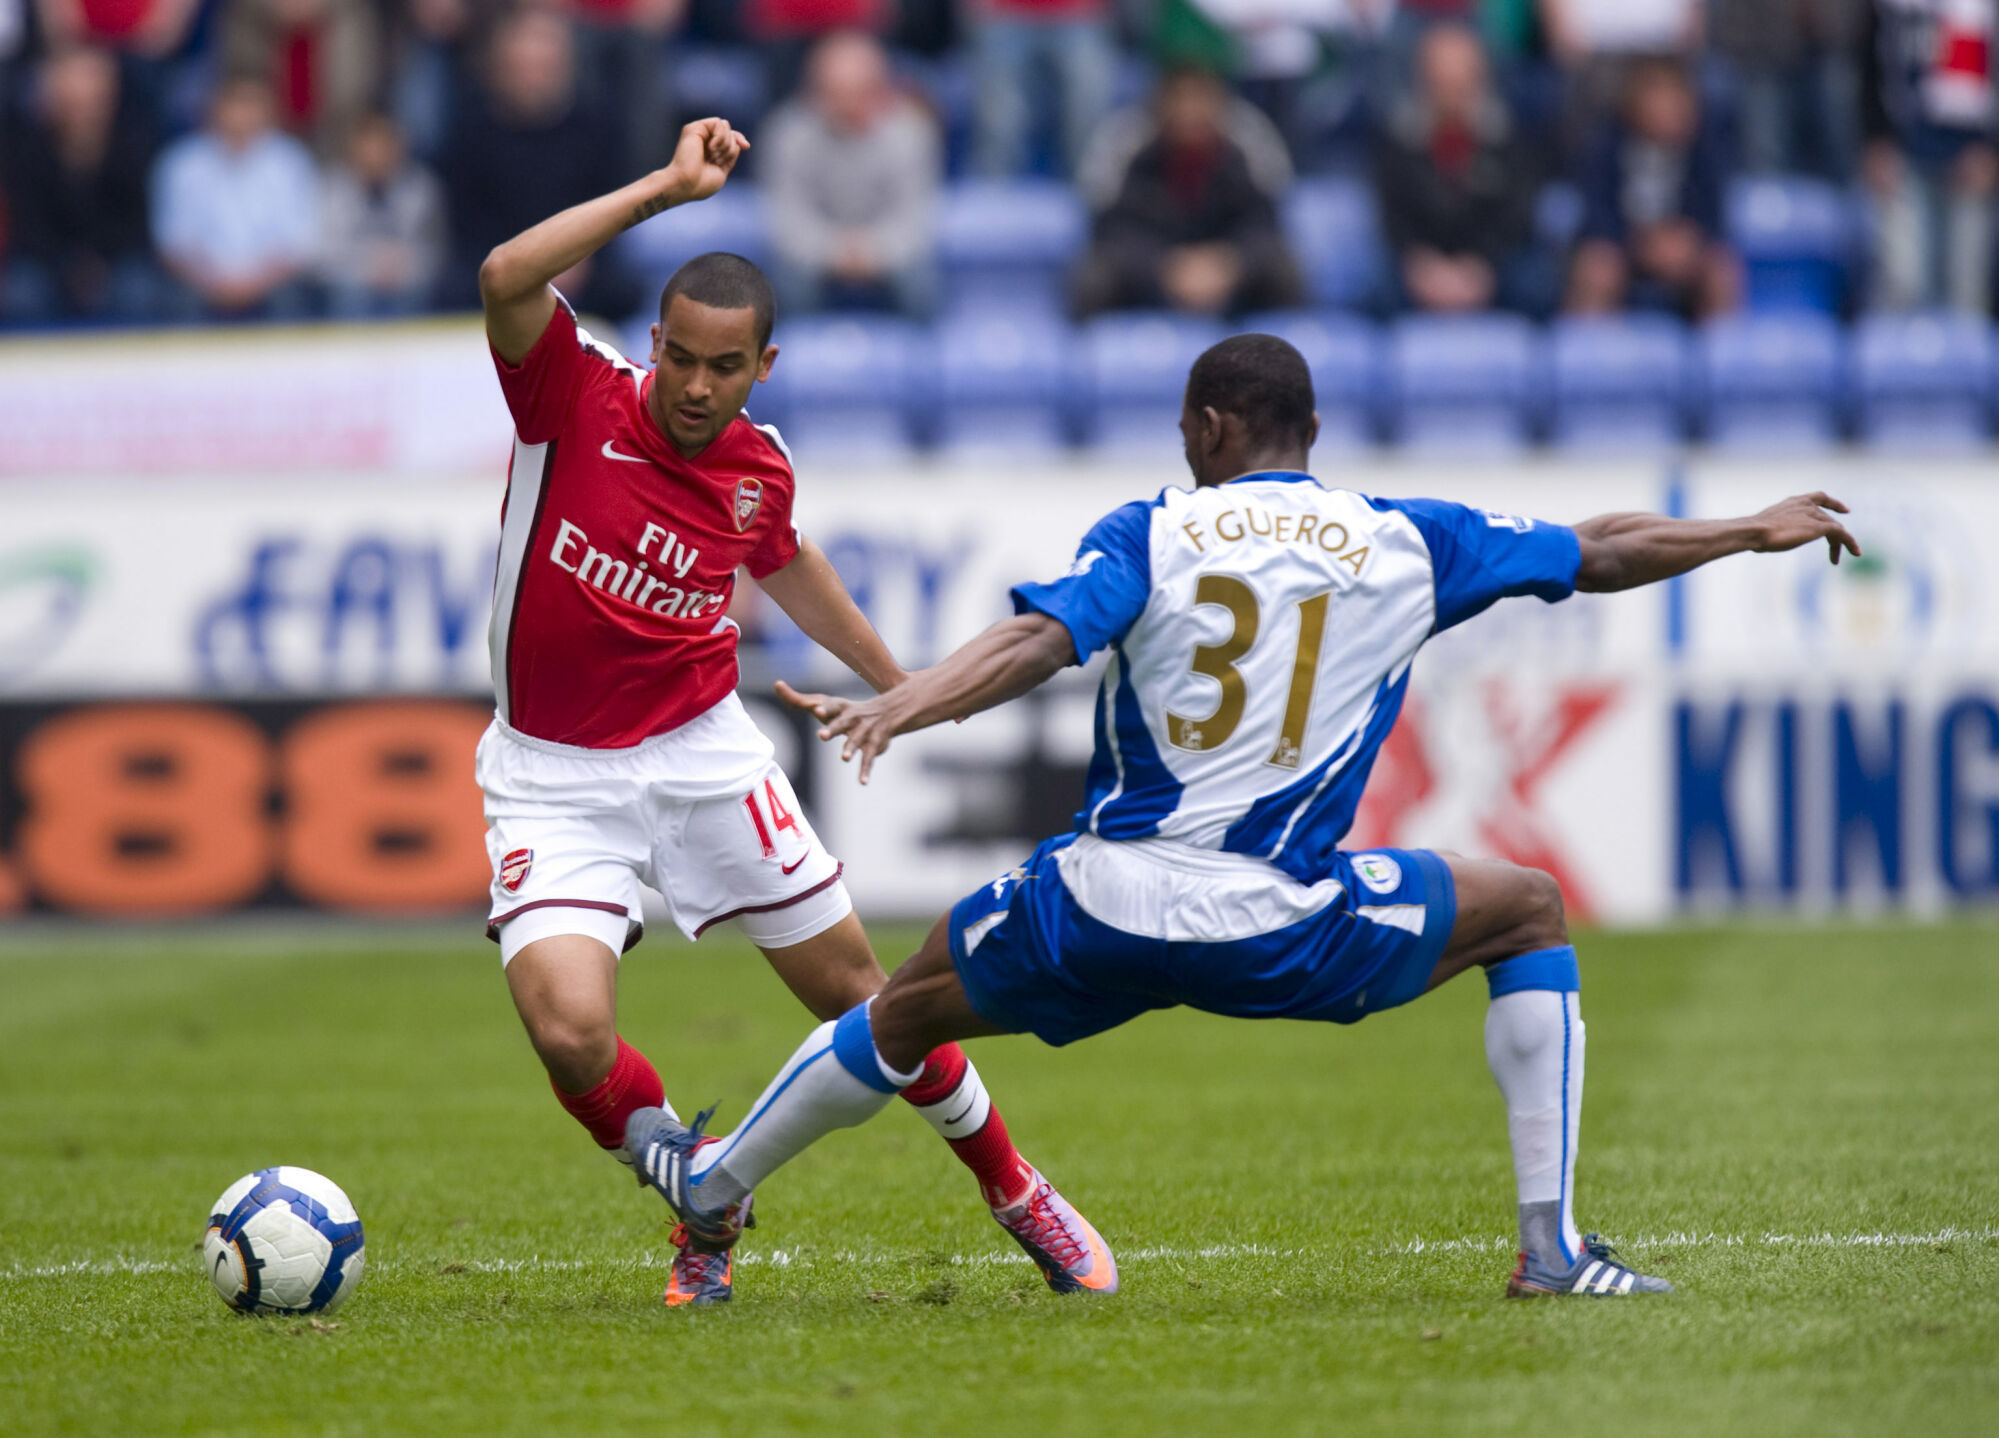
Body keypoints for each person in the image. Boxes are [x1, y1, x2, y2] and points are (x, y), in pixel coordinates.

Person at [622, 332, 1863, 1301]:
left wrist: (906, 708)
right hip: (1289, 922)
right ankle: (1550, 1247)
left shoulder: (1153, 528)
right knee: (1526, 908)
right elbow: (1597, 545)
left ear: (1210, 427)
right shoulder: (1404, 537)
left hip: (1098, 908)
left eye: (1185, 430)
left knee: (902, 1005)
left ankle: (716, 1193)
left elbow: (1035, 640)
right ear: (1311, 433)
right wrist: (1748, 530)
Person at [473, 115, 1105, 1307]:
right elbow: (507, 274)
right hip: (550, 773)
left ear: (763, 366)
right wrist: (664, 187)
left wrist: (901, 683)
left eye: (726, 367)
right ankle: (701, 1198)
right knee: (567, 1033)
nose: (699, 388)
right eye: (683, 359)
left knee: (869, 999)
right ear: (652, 342)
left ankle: (1015, 1185)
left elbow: (787, 559)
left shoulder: (758, 464)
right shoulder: (570, 390)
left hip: (702, 754)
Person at [444, 7, 639, 318]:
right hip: (500, 266)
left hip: (579, 269)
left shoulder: (597, 128)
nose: (534, 75)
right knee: (452, 289)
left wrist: (574, 262)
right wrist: (527, 267)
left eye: (545, 63)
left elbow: (612, 213)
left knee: (625, 288)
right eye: (524, 64)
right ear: (501, 67)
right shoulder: (471, 134)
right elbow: (469, 228)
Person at [1071, 66, 1304, 318]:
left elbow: (1265, 223)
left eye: (1200, 97)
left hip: (1231, 275)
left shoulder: (1248, 142)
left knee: (1285, 271)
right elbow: (1110, 227)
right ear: (1160, 103)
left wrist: (1230, 264)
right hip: (1148, 276)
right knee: (1093, 277)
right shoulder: (1127, 143)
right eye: (1180, 97)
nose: (1190, 110)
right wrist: (1165, 267)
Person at [1374, 21, 1552, 317]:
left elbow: (1518, 217)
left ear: (1479, 78)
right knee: (1377, 284)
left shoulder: (1508, 140)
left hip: (1493, 266)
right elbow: (1392, 217)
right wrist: (1423, 267)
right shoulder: (1397, 141)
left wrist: (1481, 265)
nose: (1451, 91)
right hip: (1419, 268)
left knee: (1534, 279)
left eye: (1460, 81)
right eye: (1441, 81)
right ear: (1424, 79)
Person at [762, 29, 941, 317]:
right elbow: (788, 221)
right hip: (818, 252)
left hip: (886, 252)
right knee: (788, 277)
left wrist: (871, 251)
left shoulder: (911, 133)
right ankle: (795, 356)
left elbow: (914, 221)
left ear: (881, 90)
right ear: (814, 91)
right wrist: (836, 251)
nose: (847, 104)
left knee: (921, 276)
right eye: (835, 92)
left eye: (860, 91)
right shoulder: (788, 134)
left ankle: (925, 358)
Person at [1567, 57, 1740, 319]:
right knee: (1597, 268)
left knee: (1722, 270)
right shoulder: (1605, 148)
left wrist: (1687, 241)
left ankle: (1723, 356)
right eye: (1656, 96)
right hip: (1624, 248)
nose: (1666, 108)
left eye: (1674, 98)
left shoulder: (1704, 151)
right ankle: (1594, 356)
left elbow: (1713, 215)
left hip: (1683, 251)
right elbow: (1596, 215)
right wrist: (1640, 244)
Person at [1, 45, 162, 324]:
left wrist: (96, 263)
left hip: (112, 261)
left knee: (139, 288)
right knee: (21, 290)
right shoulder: (25, 147)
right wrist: (67, 266)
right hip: (49, 261)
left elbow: (136, 225)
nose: (84, 109)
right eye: (74, 100)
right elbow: (27, 226)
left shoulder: (133, 146)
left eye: (92, 98)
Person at [1860, 0, 1998, 315]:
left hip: (1971, 152)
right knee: (1904, 284)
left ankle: (1966, 366)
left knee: (1967, 292)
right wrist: (1875, 138)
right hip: (1904, 149)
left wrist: (1992, 148)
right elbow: (1870, 60)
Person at [150, 74, 321, 321]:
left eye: (250, 105)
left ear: (267, 110)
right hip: (200, 284)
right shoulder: (181, 163)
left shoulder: (290, 161)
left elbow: (300, 242)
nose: (241, 115)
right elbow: (172, 243)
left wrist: (254, 284)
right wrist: (214, 283)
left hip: (272, 284)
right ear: (214, 108)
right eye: (234, 105)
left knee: (296, 296)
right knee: (167, 295)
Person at [318, 111, 447, 317]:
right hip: (351, 284)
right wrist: (369, 267)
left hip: (408, 283)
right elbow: (324, 255)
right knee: (348, 294)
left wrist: (402, 267)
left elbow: (435, 252)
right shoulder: (334, 188)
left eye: (383, 144)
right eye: (368, 144)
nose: (375, 153)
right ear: (353, 148)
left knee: (421, 292)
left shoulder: (421, 188)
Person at [968, 0, 1117, 178]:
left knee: (1087, 97)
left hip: (1077, 16)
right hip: (1006, 15)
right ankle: (991, 191)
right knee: (999, 112)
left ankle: (1091, 188)